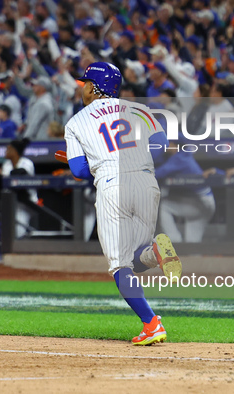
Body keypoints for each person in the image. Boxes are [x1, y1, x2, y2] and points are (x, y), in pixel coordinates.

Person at [64, 62, 181, 345]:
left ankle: (151, 323)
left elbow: (79, 171)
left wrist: (96, 161)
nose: (83, 88)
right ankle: (155, 250)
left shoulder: (76, 121)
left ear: (93, 87)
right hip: (146, 182)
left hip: (112, 185)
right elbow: (161, 147)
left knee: (120, 266)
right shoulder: (140, 109)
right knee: (137, 259)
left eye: (85, 84)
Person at [155, 141, 216, 243]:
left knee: (164, 205)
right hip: (203, 202)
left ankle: (174, 240)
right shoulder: (183, 155)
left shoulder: (180, 158)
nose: (164, 144)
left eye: (168, 142)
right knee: (192, 247)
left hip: (200, 202)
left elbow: (159, 173)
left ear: (175, 145)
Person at [0, 139, 39, 238]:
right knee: (10, 231)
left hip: (28, 202)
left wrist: (4, 173)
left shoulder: (26, 162)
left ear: (15, 151)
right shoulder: (7, 164)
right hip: (14, 203)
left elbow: (20, 173)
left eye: (8, 149)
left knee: (19, 232)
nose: (6, 151)